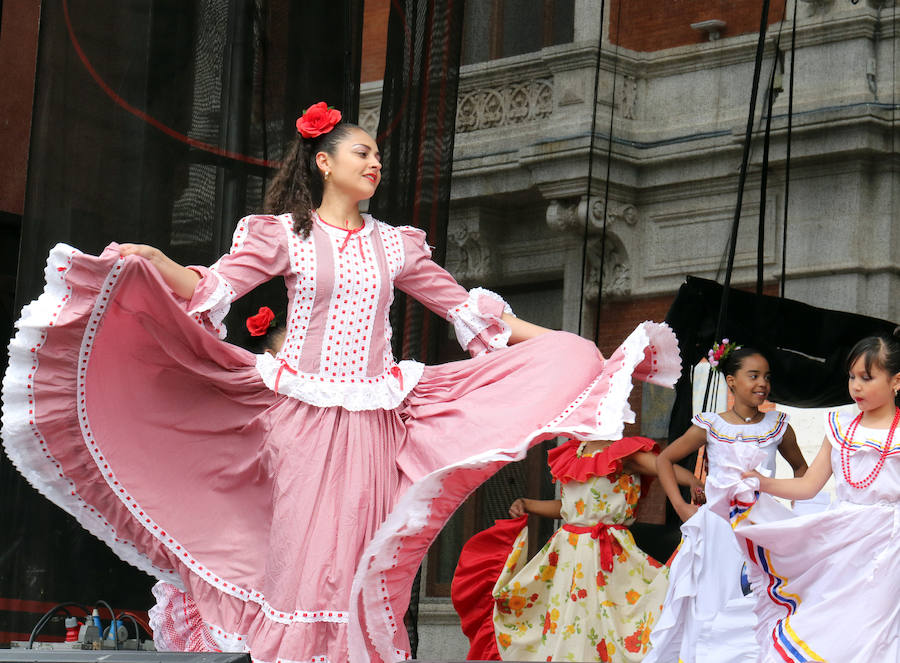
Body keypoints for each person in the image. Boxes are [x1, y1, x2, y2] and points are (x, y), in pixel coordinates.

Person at [1, 102, 683, 663]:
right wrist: (158, 261)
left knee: (355, 566)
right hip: (299, 419)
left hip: (374, 423)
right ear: (324, 162)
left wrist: (577, 350)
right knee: (302, 565)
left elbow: (470, 312)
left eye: (377, 155)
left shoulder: (397, 245)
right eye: (362, 152)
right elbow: (214, 285)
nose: (374, 162)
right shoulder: (282, 235)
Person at [452, 436, 702, 662]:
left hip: (608, 553)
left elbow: (663, 465)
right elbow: (571, 508)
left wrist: (692, 481)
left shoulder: (623, 453)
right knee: (569, 621)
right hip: (568, 554)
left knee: (613, 620)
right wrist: (529, 504)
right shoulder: (574, 452)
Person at [735, 331, 900, 662]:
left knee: (874, 632)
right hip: (842, 542)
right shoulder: (839, 425)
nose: (856, 386)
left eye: (867, 378)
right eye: (852, 377)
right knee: (828, 624)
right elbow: (808, 485)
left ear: (896, 381)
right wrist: (761, 483)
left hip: (890, 550)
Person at [645, 345, 807, 663]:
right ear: (731, 381)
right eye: (754, 375)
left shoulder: (778, 426)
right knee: (713, 596)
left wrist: (792, 512)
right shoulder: (711, 425)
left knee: (757, 599)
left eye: (767, 377)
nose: (762, 383)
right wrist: (679, 506)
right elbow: (664, 459)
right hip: (717, 529)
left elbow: (802, 469)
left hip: (762, 528)